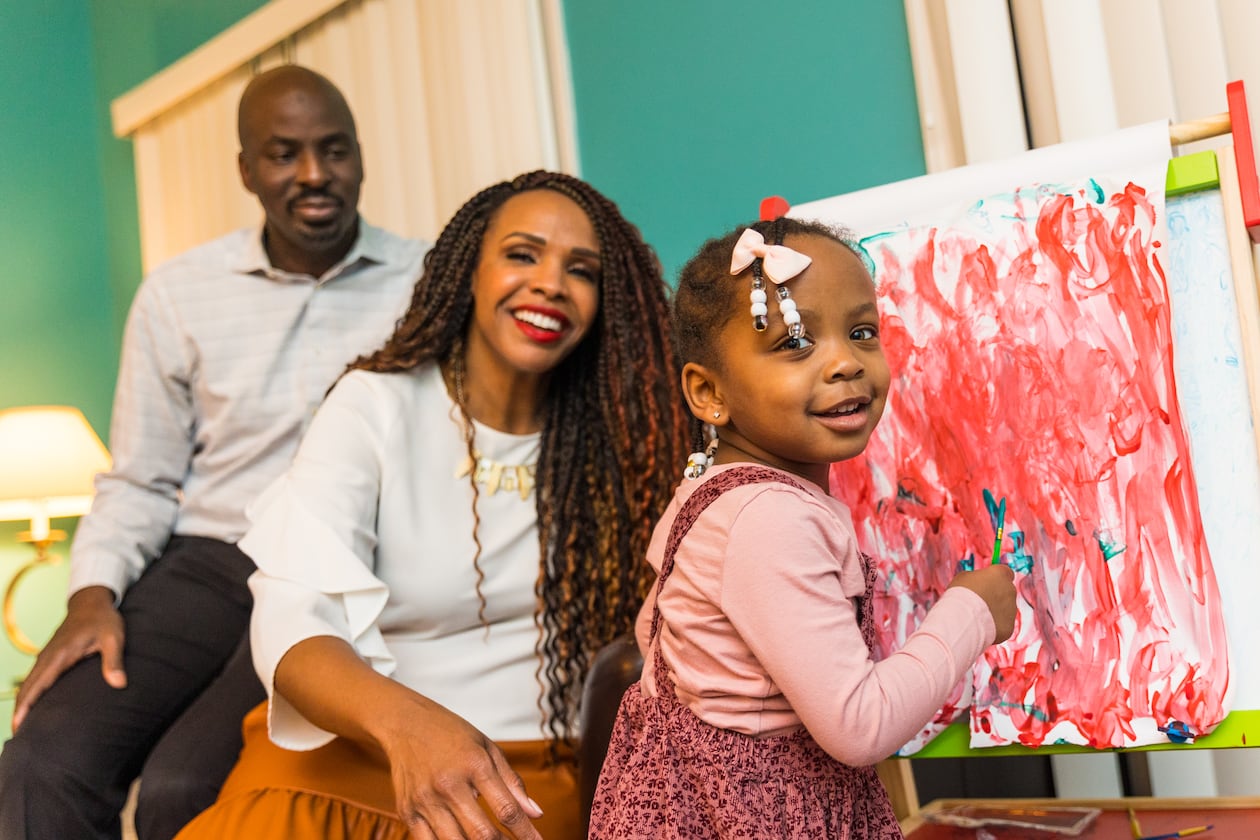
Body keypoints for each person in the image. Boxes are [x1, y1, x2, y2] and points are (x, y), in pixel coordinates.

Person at [173, 170, 691, 840]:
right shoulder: (375, 405)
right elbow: (291, 625)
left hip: (518, 787)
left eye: (582, 270)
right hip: (347, 762)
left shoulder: (635, 439)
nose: (550, 284)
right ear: (469, 270)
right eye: (522, 254)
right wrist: (409, 726)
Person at [0, 65, 429, 840]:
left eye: (333, 150)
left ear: (361, 157)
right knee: (41, 761)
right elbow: (139, 479)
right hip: (205, 565)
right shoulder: (177, 294)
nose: (312, 174)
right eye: (282, 153)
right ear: (245, 169)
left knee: (186, 789)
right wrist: (90, 593)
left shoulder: (428, 283)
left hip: (337, 572)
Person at [588, 216, 1019, 837]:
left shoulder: (716, 497)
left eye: (862, 332)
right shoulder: (770, 520)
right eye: (794, 343)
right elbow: (858, 725)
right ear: (710, 393)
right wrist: (971, 612)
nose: (845, 362)